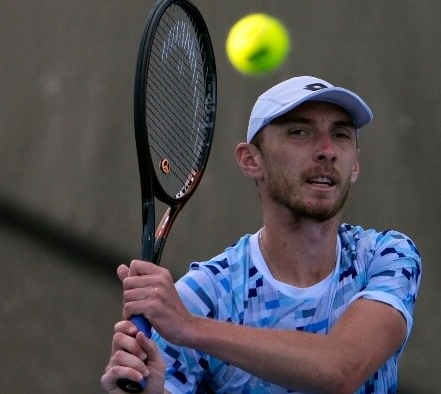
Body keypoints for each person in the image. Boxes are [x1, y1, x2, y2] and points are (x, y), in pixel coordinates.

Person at [101, 76, 422, 393]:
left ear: (355, 165)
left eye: (340, 134)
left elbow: (343, 368)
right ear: (251, 160)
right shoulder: (203, 297)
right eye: (300, 132)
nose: (327, 151)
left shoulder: (386, 256)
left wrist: (190, 328)